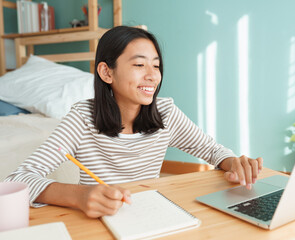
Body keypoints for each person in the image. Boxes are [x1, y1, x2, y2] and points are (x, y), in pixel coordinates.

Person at [5, 26, 263, 218]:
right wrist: (80, 196)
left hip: (150, 214)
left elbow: (212, 150)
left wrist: (234, 163)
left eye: (156, 66)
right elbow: (17, 180)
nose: (152, 76)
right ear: (107, 72)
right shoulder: (82, 118)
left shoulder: (166, 112)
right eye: (140, 64)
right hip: (100, 221)